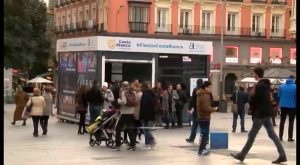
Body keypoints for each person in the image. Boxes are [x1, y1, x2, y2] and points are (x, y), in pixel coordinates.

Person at [231, 67, 287, 164]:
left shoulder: (260, 86)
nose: (253, 76)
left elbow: (257, 100)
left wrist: (251, 100)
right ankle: (282, 155)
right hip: (266, 113)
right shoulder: (266, 85)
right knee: (272, 135)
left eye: (253, 74)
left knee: (252, 135)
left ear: (257, 74)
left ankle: (242, 155)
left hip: (260, 114)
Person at [111, 81, 137, 151]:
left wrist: (119, 100)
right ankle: (132, 145)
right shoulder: (133, 92)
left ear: (123, 85)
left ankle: (117, 145)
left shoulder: (123, 92)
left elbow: (124, 102)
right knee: (129, 128)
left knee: (118, 128)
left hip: (125, 113)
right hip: (131, 113)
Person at [196, 81, 217, 156]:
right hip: (204, 117)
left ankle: (203, 149)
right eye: (210, 87)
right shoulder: (205, 95)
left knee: (203, 134)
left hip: (201, 117)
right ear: (206, 87)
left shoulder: (200, 94)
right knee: (205, 134)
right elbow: (206, 108)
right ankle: (201, 150)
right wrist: (214, 109)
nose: (211, 89)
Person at [278, 75, 296, 142]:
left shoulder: (281, 86)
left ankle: (280, 136)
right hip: (292, 106)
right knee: (291, 122)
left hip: (283, 106)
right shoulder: (295, 87)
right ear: (293, 79)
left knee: (282, 121)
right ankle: (290, 137)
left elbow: (279, 96)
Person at [139, 82, 156, 149]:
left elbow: (144, 106)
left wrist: (142, 114)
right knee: (146, 128)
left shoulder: (145, 95)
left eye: (141, 87)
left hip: (146, 114)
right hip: (149, 114)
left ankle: (150, 140)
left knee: (146, 128)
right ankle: (147, 142)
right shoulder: (149, 94)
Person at [186, 79, 203, 143]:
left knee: (194, 125)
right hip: (203, 111)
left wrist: (190, 108)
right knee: (203, 126)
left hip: (196, 110)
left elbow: (192, 100)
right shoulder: (205, 90)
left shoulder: (195, 89)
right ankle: (204, 139)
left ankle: (191, 139)